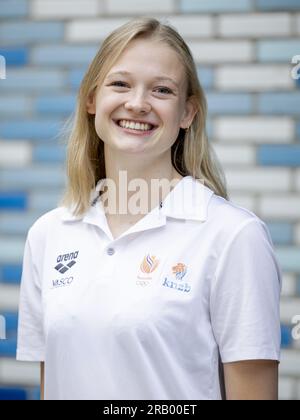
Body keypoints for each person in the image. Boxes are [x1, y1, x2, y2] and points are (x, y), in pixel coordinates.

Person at [17, 17, 282, 400]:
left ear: (187, 113)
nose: (138, 104)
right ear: (91, 99)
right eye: (120, 84)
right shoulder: (48, 234)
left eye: (161, 90)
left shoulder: (233, 236)